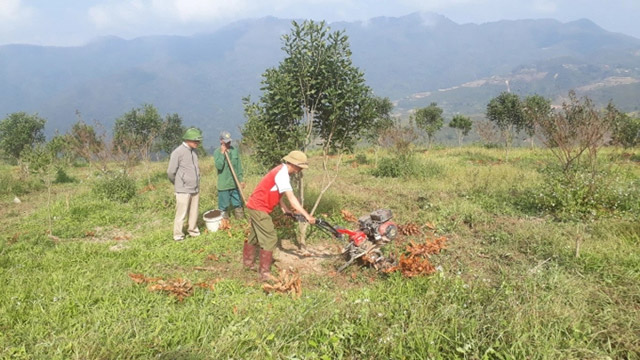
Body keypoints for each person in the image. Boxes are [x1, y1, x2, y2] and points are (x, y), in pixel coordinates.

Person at [243, 150, 316, 280]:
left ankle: (248, 264)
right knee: (270, 238)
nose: (300, 170)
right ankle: (264, 274)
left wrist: (285, 209)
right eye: (299, 167)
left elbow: (278, 193)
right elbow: (292, 198)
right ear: (293, 164)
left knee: (255, 236)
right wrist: (307, 216)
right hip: (259, 207)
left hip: (255, 205)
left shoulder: (281, 171)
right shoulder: (282, 175)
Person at [167, 128, 202, 241]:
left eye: (198, 141)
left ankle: (193, 231)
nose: (197, 143)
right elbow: (171, 172)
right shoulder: (177, 152)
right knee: (181, 214)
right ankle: (178, 235)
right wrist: (178, 183)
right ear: (187, 140)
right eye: (195, 141)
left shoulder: (194, 152)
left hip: (195, 188)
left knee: (193, 212)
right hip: (183, 189)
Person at [213, 131, 245, 219]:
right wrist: (222, 153)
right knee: (223, 206)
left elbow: (238, 167)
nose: (228, 144)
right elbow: (219, 166)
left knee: (238, 203)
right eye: (226, 142)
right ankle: (224, 223)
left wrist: (241, 180)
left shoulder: (234, 150)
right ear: (221, 141)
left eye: (229, 142)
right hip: (224, 185)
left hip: (234, 183)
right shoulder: (217, 152)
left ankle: (240, 221)